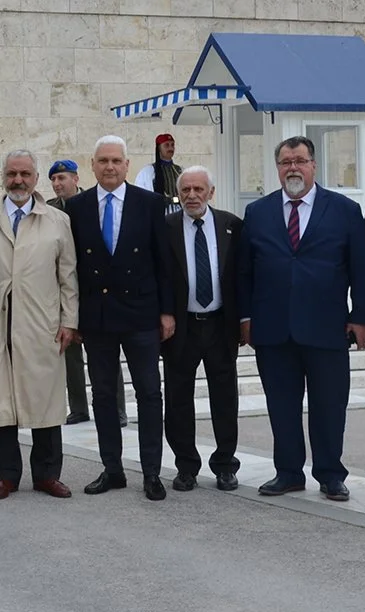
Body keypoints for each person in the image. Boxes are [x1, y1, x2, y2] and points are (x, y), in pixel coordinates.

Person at [239, 135, 365, 502]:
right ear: (278, 168)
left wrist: (362, 317)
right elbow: (245, 272)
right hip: (273, 328)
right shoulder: (259, 212)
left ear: (314, 165)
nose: (293, 168)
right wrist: (246, 317)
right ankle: (288, 472)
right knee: (281, 405)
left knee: (329, 406)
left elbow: (362, 268)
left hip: (327, 326)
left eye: (300, 160)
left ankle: (331, 474)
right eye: (286, 162)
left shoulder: (344, 210)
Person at [62, 136, 175, 501]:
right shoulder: (75, 207)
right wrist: (73, 317)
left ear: (127, 165)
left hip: (141, 314)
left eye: (116, 161)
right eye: (102, 161)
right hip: (98, 318)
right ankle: (112, 469)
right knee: (104, 396)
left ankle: (152, 472)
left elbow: (164, 263)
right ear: (92, 166)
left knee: (149, 393)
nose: (109, 167)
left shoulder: (151, 203)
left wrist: (167, 311)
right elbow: (72, 267)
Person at [0, 150, 78, 499]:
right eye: (11, 174)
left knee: (46, 403)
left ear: (36, 178)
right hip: (0, 325)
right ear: (3, 177)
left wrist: (70, 320)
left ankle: (47, 474)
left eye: (24, 173)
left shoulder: (56, 221)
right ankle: (6, 476)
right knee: (2, 405)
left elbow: (68, 277)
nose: (17, 180)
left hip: (43, 325)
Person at [161, 165, 242, 491]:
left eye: (198, 190)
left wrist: (244, 320)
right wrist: (164, 313)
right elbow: (159, 277)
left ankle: (225, 465)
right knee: (178, 399)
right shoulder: (165, 227)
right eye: (185, 191)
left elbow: (241, 276)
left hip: (220, 324)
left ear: (211, 192)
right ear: (178, 195)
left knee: (225, 398)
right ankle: (186, 466)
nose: (191, 196)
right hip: (181, 328)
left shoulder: (231, 226)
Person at [47, 159, 92, 426]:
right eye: (53, 180)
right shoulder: (49, 209)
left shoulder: (90, 203)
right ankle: (78, 407)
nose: (57, 184)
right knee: (71, 353)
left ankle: (115, 407)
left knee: (101, 353)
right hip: (64, 289)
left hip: (91, 287)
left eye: (62, 178)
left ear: (75, 179)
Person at [134, 132, 183, 212]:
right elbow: (141, 197)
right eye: (166, 145)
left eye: (172, 145)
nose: (170, 148)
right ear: (159, 148)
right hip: (158, 213)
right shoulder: (148, 171)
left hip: (179, 214)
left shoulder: (180, 170)